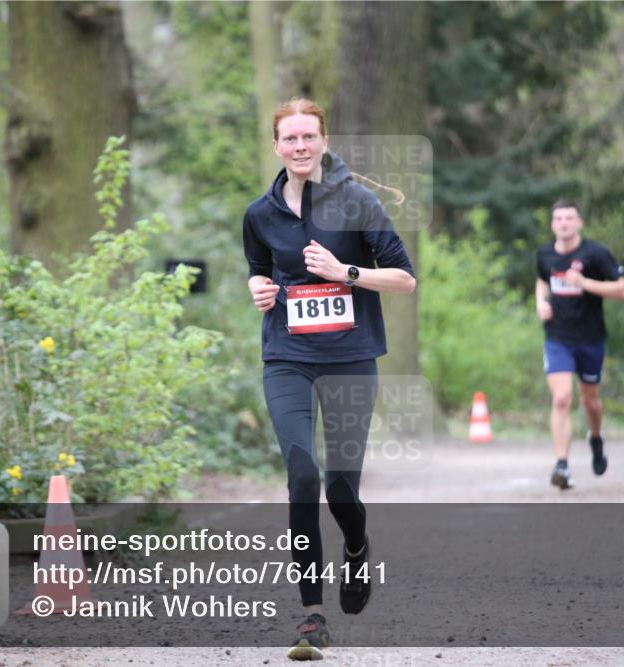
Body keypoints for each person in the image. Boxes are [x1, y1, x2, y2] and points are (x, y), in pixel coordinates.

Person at [242, 98, 416, 661]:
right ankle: (311, 616)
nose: (299, 147)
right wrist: (258, 291)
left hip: (349, 356)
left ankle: (358, 547)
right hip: (287, 356)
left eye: (308, 137)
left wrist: (346, 272)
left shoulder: (358, 202)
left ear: (323, 140)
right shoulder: (259, 214)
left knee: (341, 486)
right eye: (289, 139)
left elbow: (404, 279)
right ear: (276, 146)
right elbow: (258, 273)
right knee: (300, 475)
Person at [535, 200, 624, 490]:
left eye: (569, 218)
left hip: (590, 337)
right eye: (558, 219)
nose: (563, 223)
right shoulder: (545, 254)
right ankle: (562, 464)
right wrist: (540, 303)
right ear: (552, 225)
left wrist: (585, 283)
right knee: (562, 397)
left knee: (590, 400)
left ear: (579, 223)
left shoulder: (596, 253)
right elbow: (541, 281)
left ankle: (595, 438)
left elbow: (622, 290)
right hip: (557, 338)